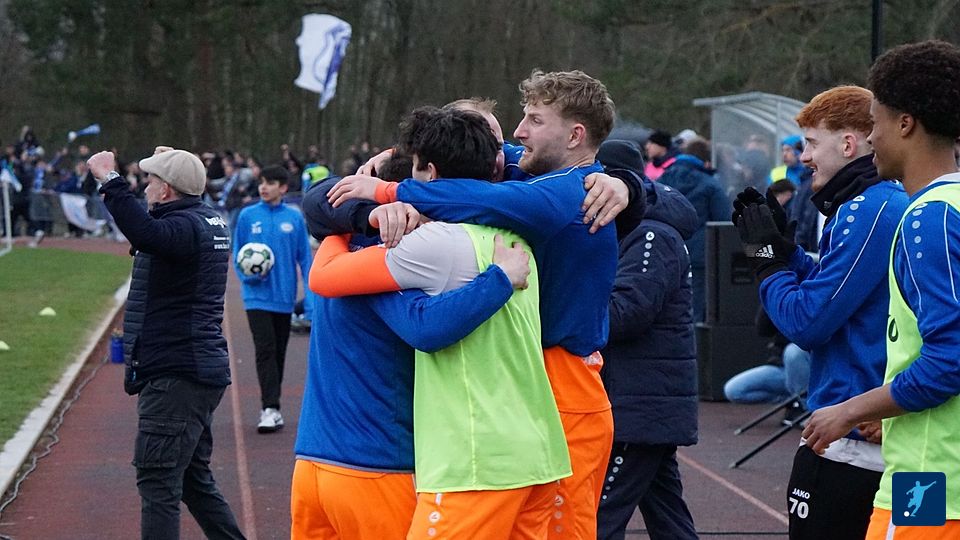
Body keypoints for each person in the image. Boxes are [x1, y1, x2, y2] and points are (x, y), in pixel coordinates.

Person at [326, 70, 626, 539]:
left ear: (574, 135)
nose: (518, 133)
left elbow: (491, 198)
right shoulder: (535, 169)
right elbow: (472, 165)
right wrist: (378, 178)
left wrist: (388, 192)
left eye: (533, 120)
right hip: (528, 388)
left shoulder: (573, 189)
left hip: (566, 387)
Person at [733, 84, 910, 539]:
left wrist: (766, 260)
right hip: (902, 440)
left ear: (848, 144)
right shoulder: (887, 202)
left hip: (853, 442)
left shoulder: (870, 207)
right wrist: (786, 254)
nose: (804, 156)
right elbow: (844, 294)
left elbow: (806, 322)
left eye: (811, 143)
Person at [801, 40, 960, 539]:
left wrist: (851, 410)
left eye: (875, 123)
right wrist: (889, 410)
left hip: (930, 479)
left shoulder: (929, 217)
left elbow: (949, 360)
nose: (871, 137)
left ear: (905, 124)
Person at [87, 147, 245, 540]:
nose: (145, 189)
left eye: (151, 182)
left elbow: (144, 232)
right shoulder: (203, 219)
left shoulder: (183, 228)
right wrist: (169, 158)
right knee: (191, 479)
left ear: (167, 191)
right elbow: (152, 229)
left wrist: (110, 180)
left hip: (177, 374)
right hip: (194, 370)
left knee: (158, 481)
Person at [593, 139, 700, 540]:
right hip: (643, 400)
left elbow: (627, 313)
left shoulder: (651, 234)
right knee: (668, 516)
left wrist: (567, 308)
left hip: (639, 402)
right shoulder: (636, 231)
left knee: (599, 517)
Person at [232, 165, 313, 433]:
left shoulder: (294, 218)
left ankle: (273, 408)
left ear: (283, 187)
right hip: (255, 296)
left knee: (278, 352)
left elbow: (305, 259)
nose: (263, 187)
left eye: (270, 183)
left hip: (284, 297)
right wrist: (249, 279)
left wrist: (310, 299)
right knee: (265, 349)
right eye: (261, 183)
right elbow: (238, 253)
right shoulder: (247, 216)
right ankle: (269, 407)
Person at [657, 143, 730, 322]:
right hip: (700, 255)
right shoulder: (710, 184)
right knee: (695, 306)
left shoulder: (661, 181)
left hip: (666, 252)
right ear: (706, 160)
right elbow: (723, 221)